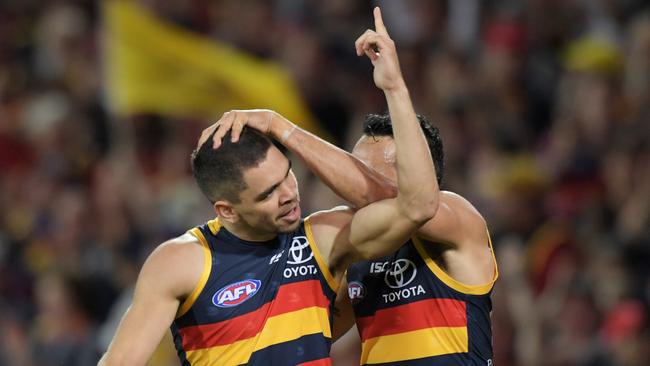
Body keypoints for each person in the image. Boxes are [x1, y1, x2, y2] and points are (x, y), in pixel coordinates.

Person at [98, 7, 440, 366]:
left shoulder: (323, 241)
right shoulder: (183, 262)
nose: (289, 195)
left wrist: (392, 89)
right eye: (266, 194)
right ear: (226, 210)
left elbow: (416, 205)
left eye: (286, 175)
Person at [208, 9, 498, 366]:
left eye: (370, 173)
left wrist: (280, 126)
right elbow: (308, 333)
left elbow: (400, 200)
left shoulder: (460, 220)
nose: (351, 189)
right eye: (353, 172)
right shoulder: (361, 253)